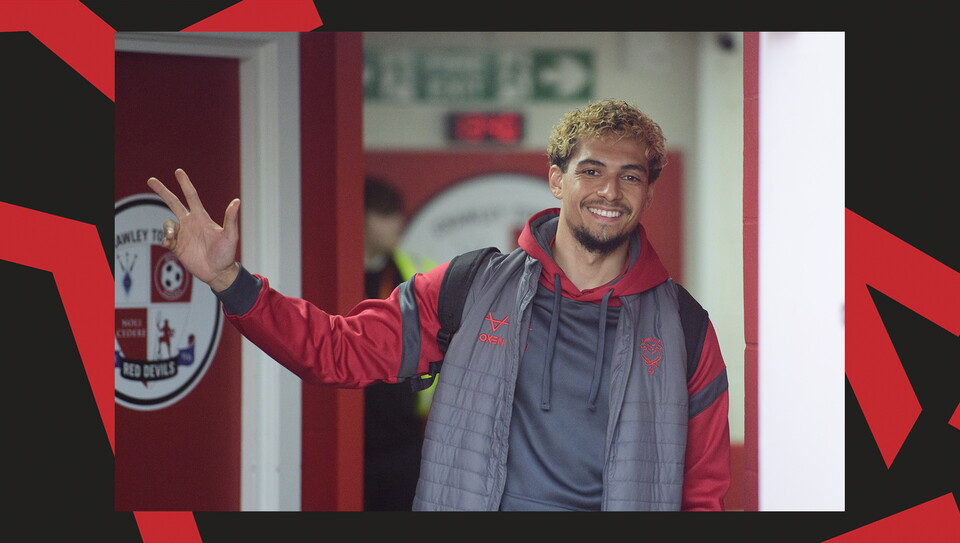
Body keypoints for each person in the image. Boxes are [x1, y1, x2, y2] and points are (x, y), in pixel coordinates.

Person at [147, 98, 731, 511]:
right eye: (592, 171)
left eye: (631, 177)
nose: (609, 191)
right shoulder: (470, 288)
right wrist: (230, 279)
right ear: (557, 180)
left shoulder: (684, 326)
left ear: (650, 191)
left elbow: (703, 491)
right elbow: (335, 351)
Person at [361, 176, 424, 511]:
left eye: (397, 214)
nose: (397, 224)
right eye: (385, 215)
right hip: (352, 441)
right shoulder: (333, 274)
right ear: (361, 218)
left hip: (403, 437)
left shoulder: (414, 274)